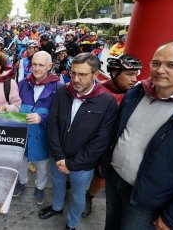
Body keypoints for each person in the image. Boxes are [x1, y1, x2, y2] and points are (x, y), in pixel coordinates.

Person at [104, 40, 173, 230]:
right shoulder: (137, 92)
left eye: (171, 65)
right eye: (156, 63)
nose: (160, 70)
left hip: (148, 201)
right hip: (115, 181)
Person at [38, 53, 118, 230]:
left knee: (77, 195)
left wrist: (72, 164)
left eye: (82, 74)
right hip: (58, 157)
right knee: (57, 185)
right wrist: (59, 157)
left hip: (83, 164)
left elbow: (101, 140)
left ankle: (71, 224)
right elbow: (52, 124)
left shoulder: (107, 101)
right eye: (73, 73)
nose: (76, 79)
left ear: (96, 75)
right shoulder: (62, 92)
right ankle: (57, 208)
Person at [82, 54, 143, 217]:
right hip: (89, 141)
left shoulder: (137, 95)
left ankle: (89, 197)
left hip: (114, 147)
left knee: (101, 175)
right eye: (130, 74)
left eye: (136, 74)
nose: (134, 79)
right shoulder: (96, 88)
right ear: (115, 73)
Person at [14, 51, 60, 205]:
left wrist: (42, 118)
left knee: (42, 166)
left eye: (41, 65)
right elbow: (15, 106)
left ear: (49, 66)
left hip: (43, 136)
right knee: (21, 161)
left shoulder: (58, 87)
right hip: (22, 134)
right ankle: (22, 181)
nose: (37, 68)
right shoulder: (22, 84)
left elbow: (60, 115)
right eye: (34, 64)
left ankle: (40, 187)